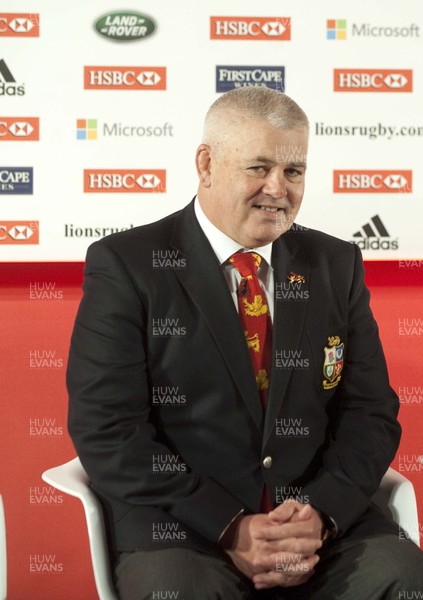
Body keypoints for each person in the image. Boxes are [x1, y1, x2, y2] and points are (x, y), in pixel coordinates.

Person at [67, 87, 423, 599]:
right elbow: (106, 428)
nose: (278, 189)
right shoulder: (128, 264)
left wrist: (319, 515)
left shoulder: (334, 264)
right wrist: (230, 525)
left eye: (294, 171)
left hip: (317, 526)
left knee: (405, 577)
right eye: (258, 168)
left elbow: (370, 411)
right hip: (182, 526)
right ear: (206, 164)